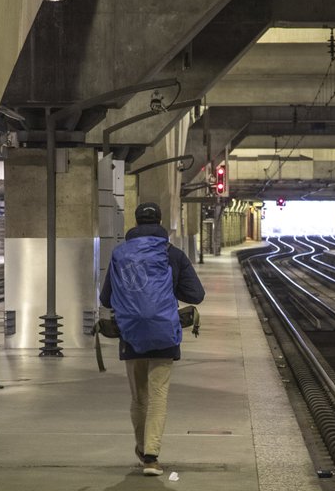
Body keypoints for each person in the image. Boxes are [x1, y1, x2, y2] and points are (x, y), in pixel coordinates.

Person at [100, 202, 205, 476]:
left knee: (139, 397)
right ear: (160, 222)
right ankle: (151, 456)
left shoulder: (120, 253)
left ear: (134, 223)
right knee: (159, 395)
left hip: (131, 333)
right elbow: (196, 295)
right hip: (164, 332)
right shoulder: (173, 254)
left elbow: (105, 298)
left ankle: (140, 447)